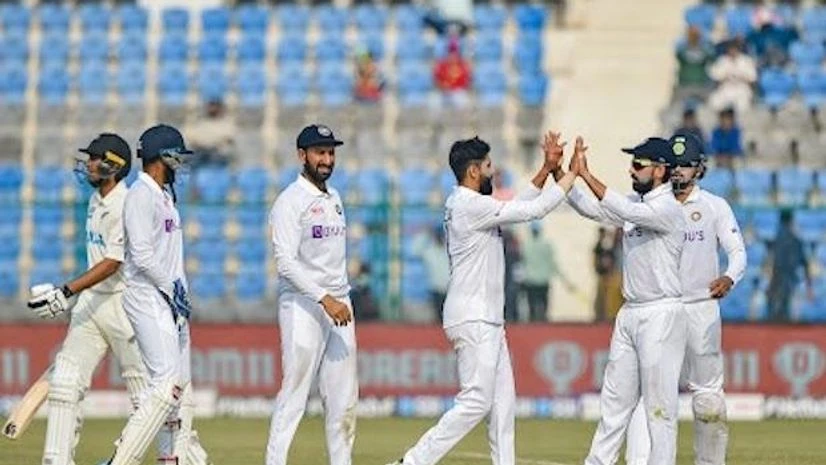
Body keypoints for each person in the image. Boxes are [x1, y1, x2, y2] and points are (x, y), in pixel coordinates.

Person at [385, 131, 578, 465]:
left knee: (503, 407)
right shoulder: (469, 205)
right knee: (476, 401)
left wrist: (547, 170)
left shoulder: (470, 203)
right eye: (489, 166)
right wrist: (572, 175)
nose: (493, 171)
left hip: (486, 316)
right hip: (473, 316)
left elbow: (517, 205)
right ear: (473, 171)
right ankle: (413, 462)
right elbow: (532, 211)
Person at [554, 136, 687, 465]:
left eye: (639, 165)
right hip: (631, 312)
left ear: (659, 170)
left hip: (661, 312)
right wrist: (560, 172)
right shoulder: (634, 204)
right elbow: (589, 207)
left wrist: (586, 174)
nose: (632, 169)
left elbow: (623, 209)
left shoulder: (668, 209)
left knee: (659, 408)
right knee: (614, 402)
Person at [24, 134, 148, 465]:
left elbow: (113, 261)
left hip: (125, 304)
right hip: (92, 304)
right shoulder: (95, 200)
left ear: (114, 165)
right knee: (65, 381)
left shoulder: (126, 203)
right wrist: (73, 296)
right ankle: (57, 460)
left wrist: (66, 291)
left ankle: (138, 459)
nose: (89, 164)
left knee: (145, 397)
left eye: (95, 158)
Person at [624, 133, 747, 465]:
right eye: (674, 166)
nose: (679, 172)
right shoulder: (643, 206)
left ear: (700, 169)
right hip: (660, 308)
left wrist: (730, 277)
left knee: (707, 398)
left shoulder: (713, 206)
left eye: (686, 167)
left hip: (700, 307)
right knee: (649, 394)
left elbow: (737, 252)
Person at [103, 124, 210, 465]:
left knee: (179, 394)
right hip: (147, 296)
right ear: (160, 157)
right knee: (167, 385)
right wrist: (171, 288)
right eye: (176, 155)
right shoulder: (141, 195)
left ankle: (172, 459)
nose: (180, 162)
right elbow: (143, 254)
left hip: (170, 300)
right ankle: (122, 458)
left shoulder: (164, 195)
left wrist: (179, 294)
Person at [266, 124, 357, 465]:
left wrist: (339, 297)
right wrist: (325, 298)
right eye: (320, 152)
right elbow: (286, 264)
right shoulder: (290, 201)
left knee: (343, 398)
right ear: (302, 155)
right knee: (295, 393)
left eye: (331, 152)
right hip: (304, 305)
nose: (327, 159)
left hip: (339, 304)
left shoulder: (334, 198)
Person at [519, 222, 572, 322]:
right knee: (544, 308)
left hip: (530, 281)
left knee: (532, 310)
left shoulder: (525, 245)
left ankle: (532, 329)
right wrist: (565, 281)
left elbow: (521, 264)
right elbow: (554, 265)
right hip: (543, 281)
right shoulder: (547, 245)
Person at [767, 210, 813, 321]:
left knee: (777, 316)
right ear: (792, 221)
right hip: (790, 281)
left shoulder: (777, 240)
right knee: (785, 317)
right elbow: (805, 265)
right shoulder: (796, 240)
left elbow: (771, 264)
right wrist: (809, 287)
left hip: (781, 281)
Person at [411, 225, 450, 322]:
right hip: (435, 289)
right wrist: (425, 234)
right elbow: (415, 250)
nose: (439, 238)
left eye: (441, 235)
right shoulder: (430, 251)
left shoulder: (449, 250)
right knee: (438, 318)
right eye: (437, 235)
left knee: (450, 318)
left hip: (450, 289)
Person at [708, 39, 757, 114]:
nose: (732, 51)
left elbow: (752, 78)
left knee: (742, 107)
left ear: (738, 49)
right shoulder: (722, 60)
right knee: (715, 103)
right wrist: (726, 76)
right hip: (725, 87)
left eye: (734, 49)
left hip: (742, 88)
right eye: (730, 49)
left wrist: (740, 76)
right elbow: (716, 77)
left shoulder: (746, 60)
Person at [187, 99, 236, 168]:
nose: (212, 109)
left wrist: (215, 144)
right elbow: (192, 139)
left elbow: (228, 139)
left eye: (215, 106)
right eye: (211, 106)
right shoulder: (200, 122)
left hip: (218, 153)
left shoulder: (227, 123)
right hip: (201, 151)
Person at [674, 26, 715, 102]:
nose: (694, 37)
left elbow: (712, 59)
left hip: (701, 85)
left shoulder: (705, 50)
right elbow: (678, 55)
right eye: (692, 35)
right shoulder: (682, 50)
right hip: (685, 84)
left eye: (696, 35)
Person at [592, 226, 623, 322]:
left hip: (621, 276)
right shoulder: (608, 247)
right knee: (609, 302)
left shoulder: (621, 246)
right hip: (613, 277)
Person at [433, 38, 472, 109]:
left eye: (454, 51)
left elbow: (467, 81)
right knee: (434, 101)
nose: (452, 54)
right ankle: (436, 120)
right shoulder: (442, 64)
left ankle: (462, 120)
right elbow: (436, 79)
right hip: (444, 92)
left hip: (458, 92)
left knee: (464, 102)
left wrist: (459, 87)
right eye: (450, 51)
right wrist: (442, 87)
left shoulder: (462, 65)